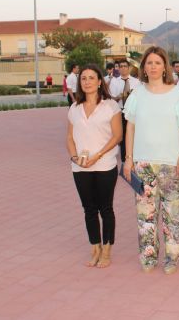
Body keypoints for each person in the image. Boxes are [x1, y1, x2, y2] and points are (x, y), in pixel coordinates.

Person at [123, 46, 179, 274]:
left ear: (165, 66)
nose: (153, 67)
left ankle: (172, 257)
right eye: (149, 63)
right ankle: (148, 256)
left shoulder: (177, 94)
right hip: (143, 164)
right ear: (143, 67)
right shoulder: (137, 94)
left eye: (157, 62)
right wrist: (128, 159)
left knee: (173, 214)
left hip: (171, 163)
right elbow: (130, 128)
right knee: (146, 214)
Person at [66, 64, 122, 268]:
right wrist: (74, 157)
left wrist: (97, 156)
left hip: (105, 165)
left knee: (105, 208)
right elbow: (70, 137)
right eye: (83, 78)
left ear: (100, 82)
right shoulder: (74, 108)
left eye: (91, 78)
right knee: (89, 209)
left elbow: (117, 136)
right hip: (80, 168)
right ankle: (95, 247)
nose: (87, 81)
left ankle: (107, 249)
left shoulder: (110, 106)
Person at [109, 59, 141, 160]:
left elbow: (140, 97)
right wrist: (118, 96)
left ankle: (134, 155)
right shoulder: (114, 81)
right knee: (122, 135)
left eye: (125, 66)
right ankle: (124, 157)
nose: (123, 68)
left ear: (128, 68)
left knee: (134, 134)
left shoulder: (136, 82)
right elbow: (111, 98)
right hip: (120, 111)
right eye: (120, 66)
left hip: (133, 111)